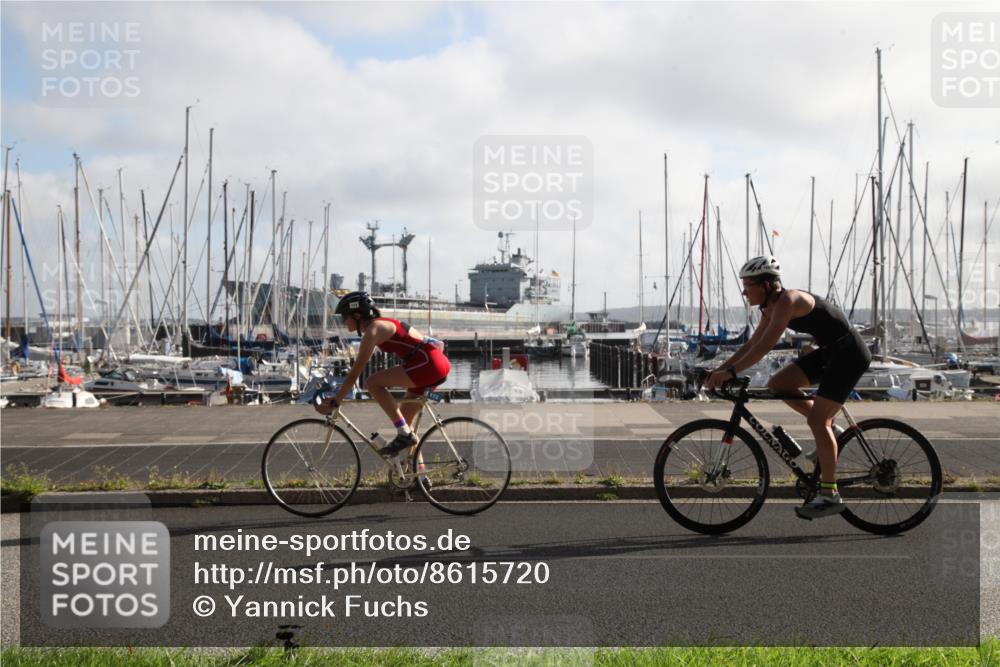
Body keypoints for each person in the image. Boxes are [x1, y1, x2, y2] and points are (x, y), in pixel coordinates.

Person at [705, 255, 872, 519]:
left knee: (818, 421)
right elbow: (750, 345)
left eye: (748, 285)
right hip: (830, 352)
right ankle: (833, 431)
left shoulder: (787, 301)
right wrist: (720, 370)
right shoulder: (768, 308)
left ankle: (830, 494)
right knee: (779, 384)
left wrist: (732, 372)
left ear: (767, 285)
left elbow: (765, 345)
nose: (744, 291)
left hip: (850, 354)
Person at [315, 291, 451, 457]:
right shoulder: (381, 324)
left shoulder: (374, 330)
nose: (343, 322)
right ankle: (419, 477)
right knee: (407, 424)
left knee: (372, 383)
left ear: (357, 315)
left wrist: (336, 400)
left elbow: (355, 373)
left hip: (428, 364)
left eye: (345, 317)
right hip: (433, 363)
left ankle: (403, 434)